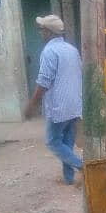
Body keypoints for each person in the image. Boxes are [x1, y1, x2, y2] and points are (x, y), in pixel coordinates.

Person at [24, 15, 83, 185]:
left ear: (48, 32)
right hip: (74, 105)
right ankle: (69, 179)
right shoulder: (72, 49)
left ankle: (82, 166)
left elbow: (44, 81)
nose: (40, 32)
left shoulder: (49, 51)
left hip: (59, 107)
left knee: (52, 142)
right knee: (67, 143)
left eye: (42, 29)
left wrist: (31, 104)